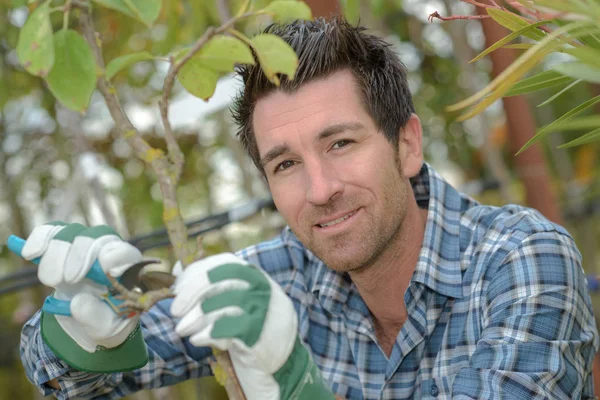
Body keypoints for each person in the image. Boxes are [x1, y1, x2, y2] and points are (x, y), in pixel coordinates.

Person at [18, 16, 599, 400]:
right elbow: (60, 382)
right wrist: (90, 329)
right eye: (286, 164)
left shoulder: (523, 259)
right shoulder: (278, 275)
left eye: (340, 143)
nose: (319, 190)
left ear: (407, 144)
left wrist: (293, 381)